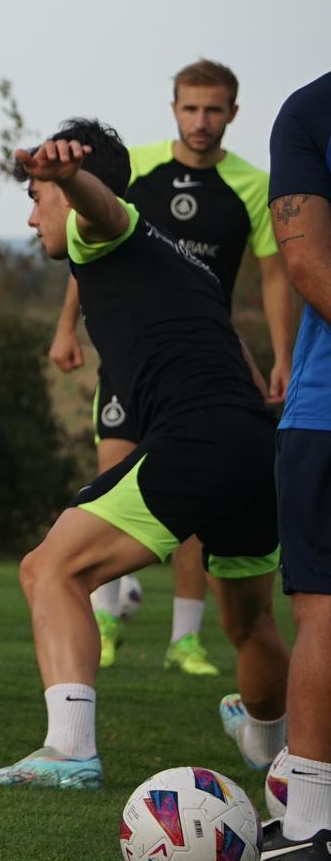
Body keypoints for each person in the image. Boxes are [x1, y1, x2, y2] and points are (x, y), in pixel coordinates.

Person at [0, 119, 288, 791]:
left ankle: (69, 751)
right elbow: (242, 362)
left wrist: (69, 179)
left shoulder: (107, 230)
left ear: (70, 192)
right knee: (250, 623)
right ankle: (270, 745)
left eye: (37, 198)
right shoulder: (187, 264)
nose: (32, 217)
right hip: (255, 444)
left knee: (50, 569)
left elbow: (104, 209)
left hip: (198, 438)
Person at [48, 60, 292, 676]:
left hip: (201, 379)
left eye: (213, 109)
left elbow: (273, 276)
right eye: (190, 107)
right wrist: (65, 327)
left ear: (233, 113)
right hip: (173, 383)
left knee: (56, 564)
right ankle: (107, 617)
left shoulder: (251, 187)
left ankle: (180, 640)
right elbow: (94, 241)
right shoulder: (141, 169)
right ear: (175, 108)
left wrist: (283, 357)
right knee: (120, 481)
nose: (201, 120)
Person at [257, 71, 331, 853]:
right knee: (328, 615)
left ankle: (309, 822)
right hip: (327, 411)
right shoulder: (315, 111)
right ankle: (310, 821)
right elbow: (307, 267)